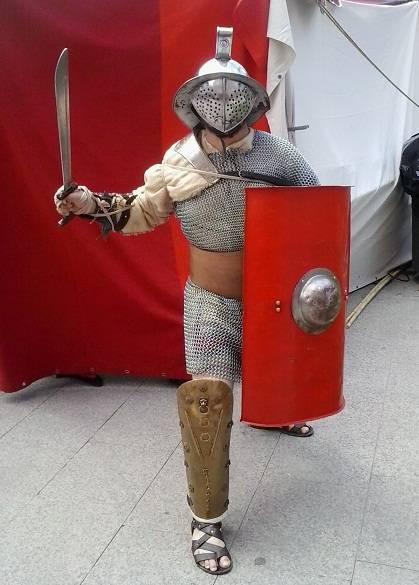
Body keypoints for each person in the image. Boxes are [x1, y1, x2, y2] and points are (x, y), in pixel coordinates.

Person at [54, 27, 319, 575]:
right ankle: (206, 520)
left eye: (234, 110)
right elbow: (136, 210)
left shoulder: (281, 158)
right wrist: (88, 203)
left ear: (251, 106)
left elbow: (316, 215)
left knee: (278, 368)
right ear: (194, 108)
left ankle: (274, 414)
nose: (225, 118)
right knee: (208, 400)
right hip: (210, 298)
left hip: (271, 294)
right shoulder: (179, 163)